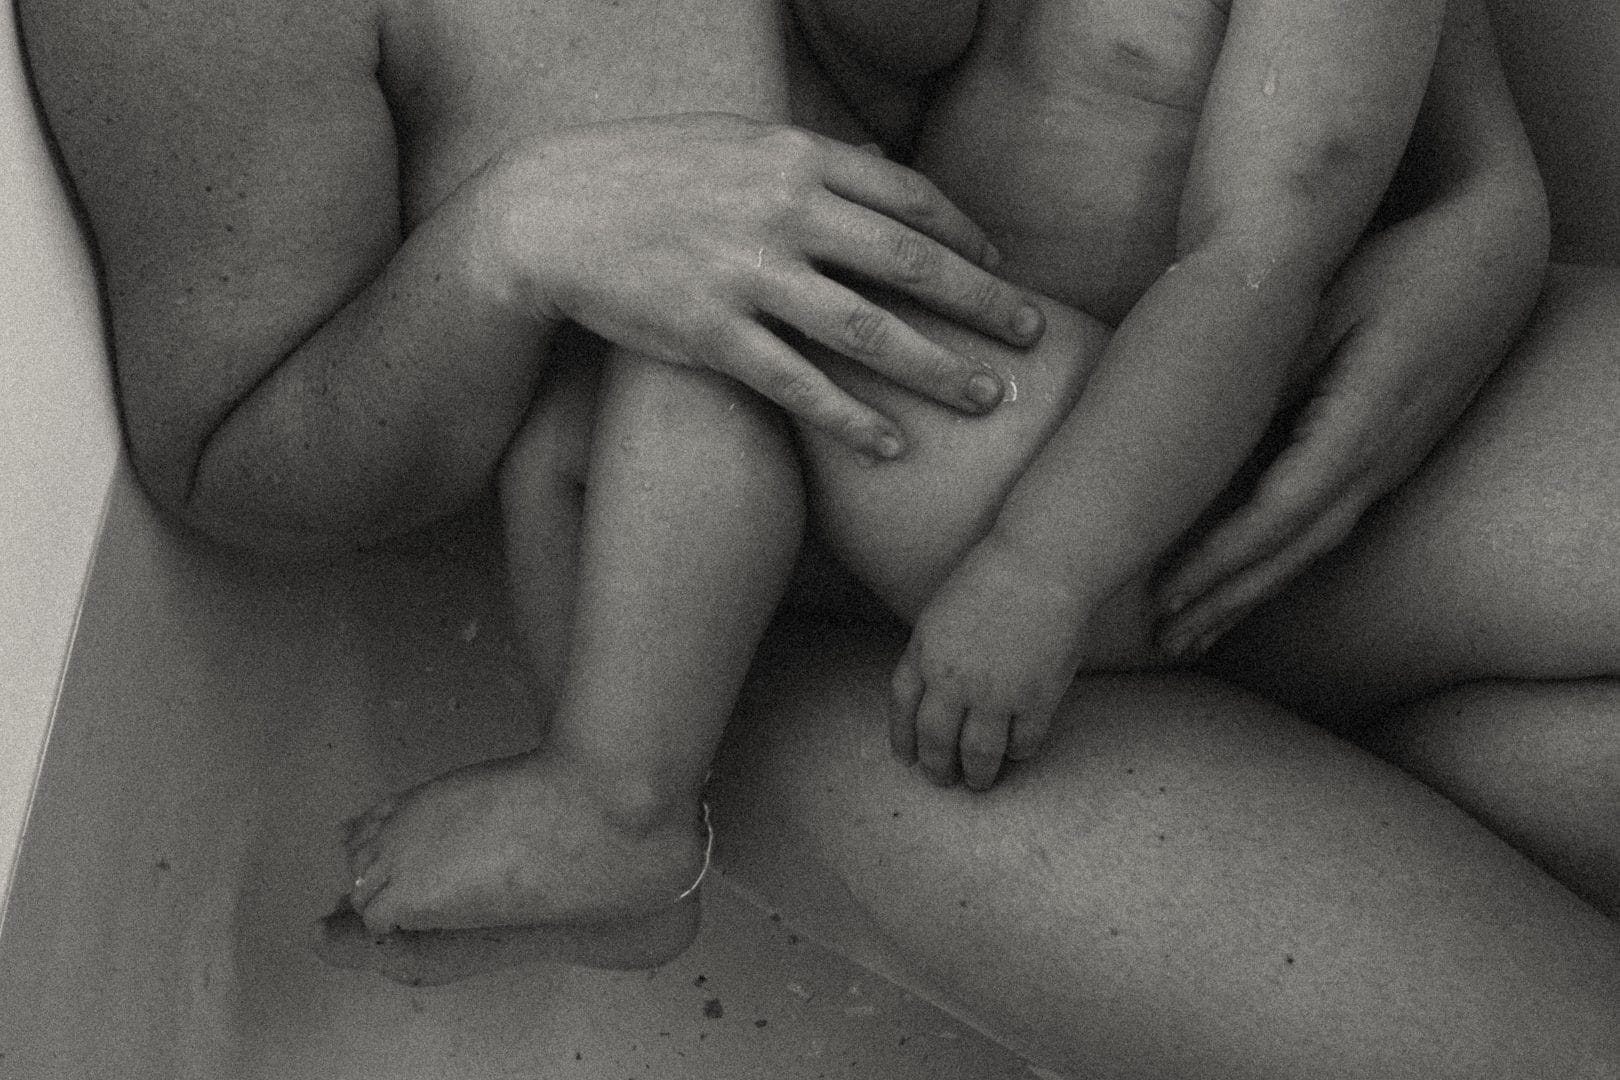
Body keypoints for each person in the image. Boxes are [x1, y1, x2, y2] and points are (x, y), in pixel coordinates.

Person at [18, 0, 1620, 1077]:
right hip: (739, 626)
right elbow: (239, 460)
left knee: (1563, 769)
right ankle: (624, 794)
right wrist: (515, 241)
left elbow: (1286, 161)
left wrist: (1478, 184)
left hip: (1150, 401)